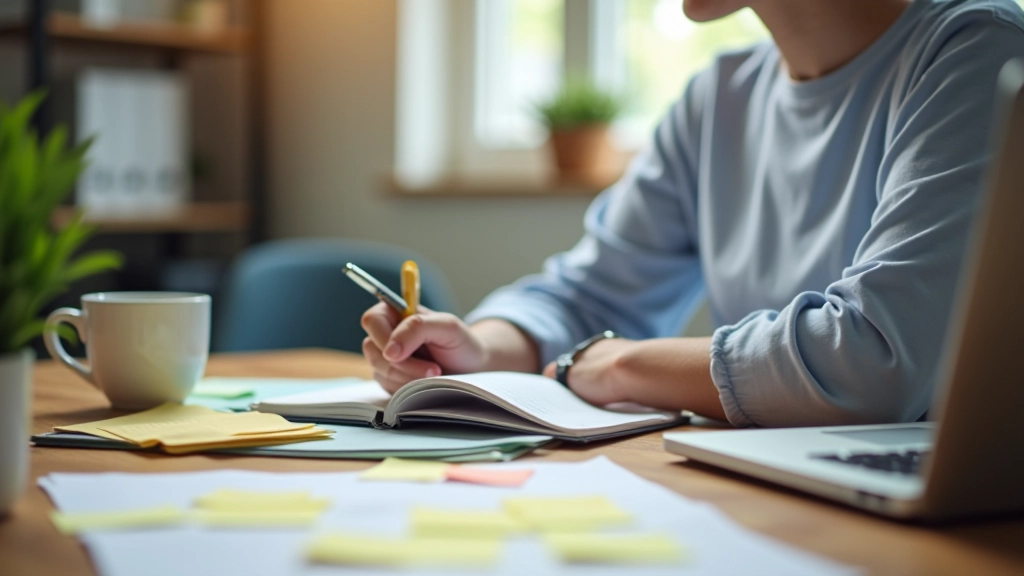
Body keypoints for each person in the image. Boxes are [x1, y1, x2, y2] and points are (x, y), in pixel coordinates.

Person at [362, 0, 1024, 427]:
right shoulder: (719, 98)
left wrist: (622, 365)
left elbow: (878, 362)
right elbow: (586, 297)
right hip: (776, 484)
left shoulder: (978, 51)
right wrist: (484, 346)